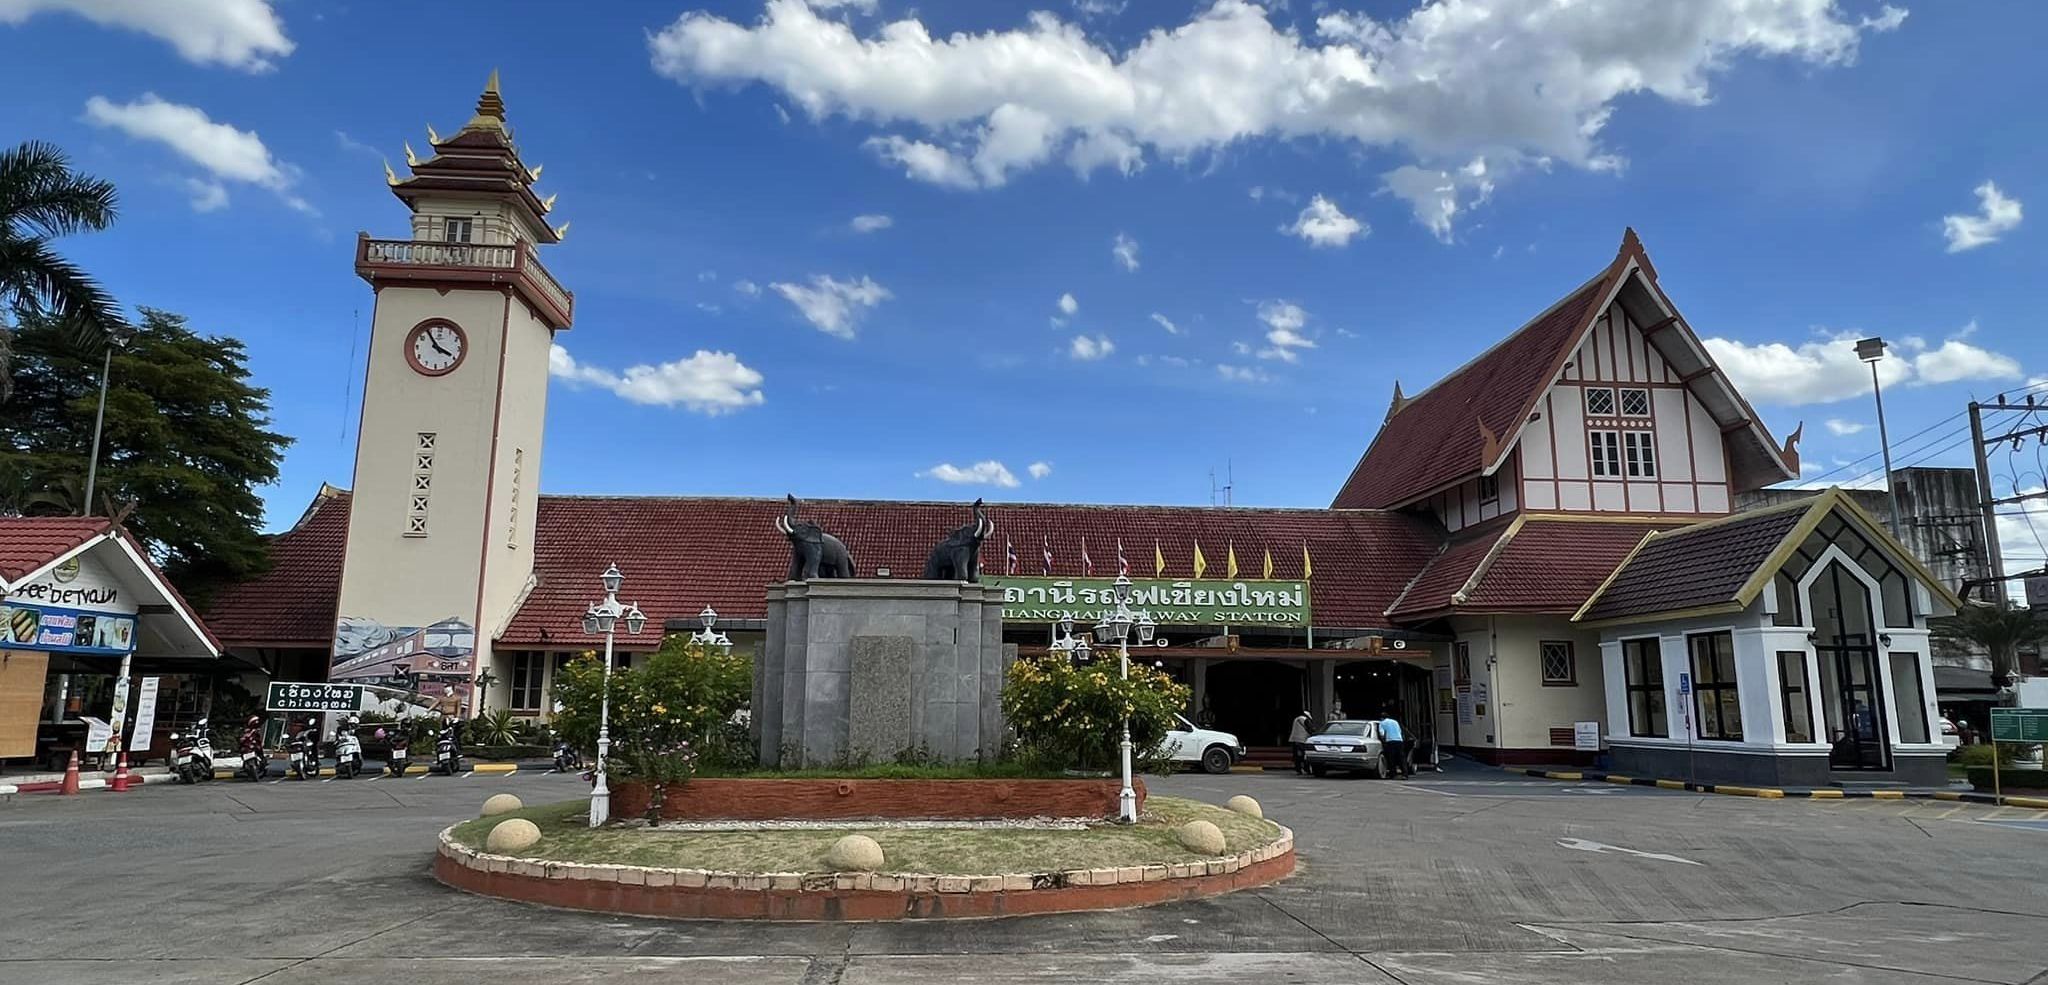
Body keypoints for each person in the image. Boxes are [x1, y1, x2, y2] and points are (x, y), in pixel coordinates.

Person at [1378, 709, 1411, 778]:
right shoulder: (1395, 722)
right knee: (1401, 758)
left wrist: (1383, 740)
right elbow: (1399, 731)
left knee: (1391, 758)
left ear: (1381, 718)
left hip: (1390, 741)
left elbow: (1382, 734)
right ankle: (1405, 774)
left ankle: (1393, 774)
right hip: (1399, 741)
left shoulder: (1382, 723)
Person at [1288, 710, 1313, 775]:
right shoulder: (1305, 720)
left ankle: (1298, 770)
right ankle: (1307, 769)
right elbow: (1311, 729)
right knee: (1304, 756)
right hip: (1302, 740)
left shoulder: (1296, 719)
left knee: (1296, 756)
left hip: (1294, 740)